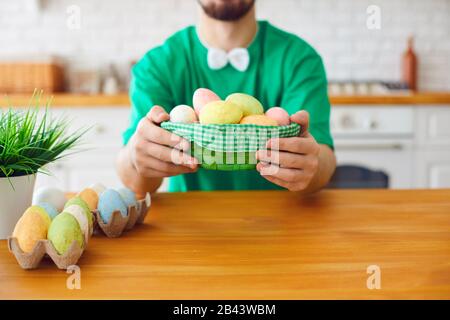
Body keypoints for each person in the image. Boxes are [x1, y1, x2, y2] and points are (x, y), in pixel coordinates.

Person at [117, 0, 336, 196]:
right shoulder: (156, 65)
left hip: (280, 222)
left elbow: (323, 160)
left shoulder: (300, 59)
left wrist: (312, 165)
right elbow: (135, 181)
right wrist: (137, 159)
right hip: (189, 227)